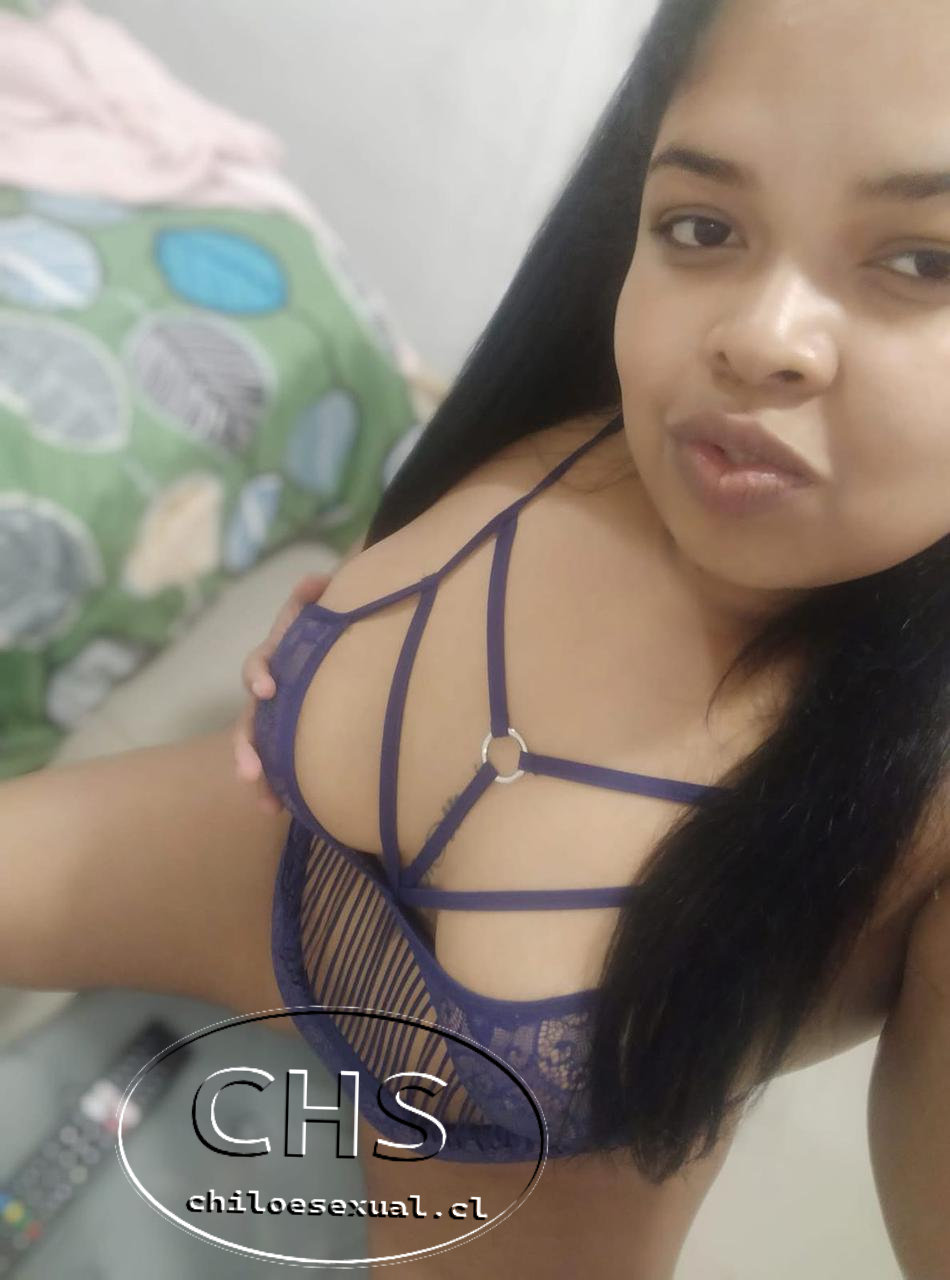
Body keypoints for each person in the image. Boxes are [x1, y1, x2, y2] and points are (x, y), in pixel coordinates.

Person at [3, 0, 950, 1275]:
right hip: (252, 865)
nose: (757, 334)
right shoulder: (587, 403)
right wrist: (361, 619)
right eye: (701, 225)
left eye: (921, 262)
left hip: (503, 1171)